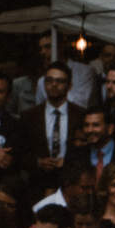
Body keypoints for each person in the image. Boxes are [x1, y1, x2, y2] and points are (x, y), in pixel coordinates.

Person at [18, 61, 85, 193]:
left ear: (69, 86)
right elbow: (20, 153)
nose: (54, 84)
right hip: (39, 184)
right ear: (44, 84)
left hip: (72, 183)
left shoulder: (81, 115)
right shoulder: (29, 116)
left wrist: (68, 161)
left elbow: (88, 150)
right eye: (49, 80)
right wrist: (38, 162)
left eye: (60, 81)